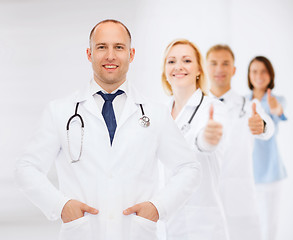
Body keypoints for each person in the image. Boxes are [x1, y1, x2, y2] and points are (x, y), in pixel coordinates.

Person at [15, 19, 201, 240]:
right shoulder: (60, 111)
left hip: (136, 233)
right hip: (82, 233)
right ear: (89, 53)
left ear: (131, 54)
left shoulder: (155, 113)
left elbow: (189, 168)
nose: (110, 55)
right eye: (102, 47)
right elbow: (26, 168)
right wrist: (61, 205)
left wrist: (158, 207)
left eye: (119, 47)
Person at [161, 39, 229, 240]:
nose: (178, 67)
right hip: (164, 224)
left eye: (187, 60)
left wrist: (207, 139)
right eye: (171, 61)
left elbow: (205, 143)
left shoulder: (215, 108)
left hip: (201, 226)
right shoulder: (158, 114)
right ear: (165, 70)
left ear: (199, 69)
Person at [206, 45, 275, 240]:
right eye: (214, 63)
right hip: (207, 201)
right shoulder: (197, 106)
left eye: (225, 63)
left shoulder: (249, 105)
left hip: (241, 199)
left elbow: (268, 127)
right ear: (206, 68)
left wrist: (260, 125)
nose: (219, 68)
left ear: (234, 70)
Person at [247, 56, 287, 240]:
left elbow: (279, 113)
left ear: (270, 75)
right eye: (254, 71)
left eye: (263, 71)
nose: (259, 75)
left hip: (271, 173)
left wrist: (276, 109)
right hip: (249, 174)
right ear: (249, 75)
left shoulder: (276, 100)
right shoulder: (243, 103)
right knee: (251, 225)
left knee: (270, 226)